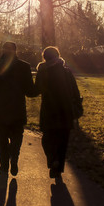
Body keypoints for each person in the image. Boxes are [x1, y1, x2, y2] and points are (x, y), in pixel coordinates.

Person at [0, 42, 37, 176]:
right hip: (17, 107)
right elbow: (30, 90)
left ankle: (4, 166)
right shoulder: (24, 66)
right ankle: (14, 156)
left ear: (2, 50)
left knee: (2, 139)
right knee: (17, 136)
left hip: (1, 108)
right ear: (16, 51)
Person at [35, 46, 82, 179]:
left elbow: (37, 89)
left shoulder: (42, 72)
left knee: (47, 138)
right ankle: (58, 168)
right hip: (66, 111)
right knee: (63, 140)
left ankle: (52, 159)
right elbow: (75, 91)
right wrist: (78, 107)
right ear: (58, 55)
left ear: (44, 57)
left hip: (49, 110)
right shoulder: (67, 72)